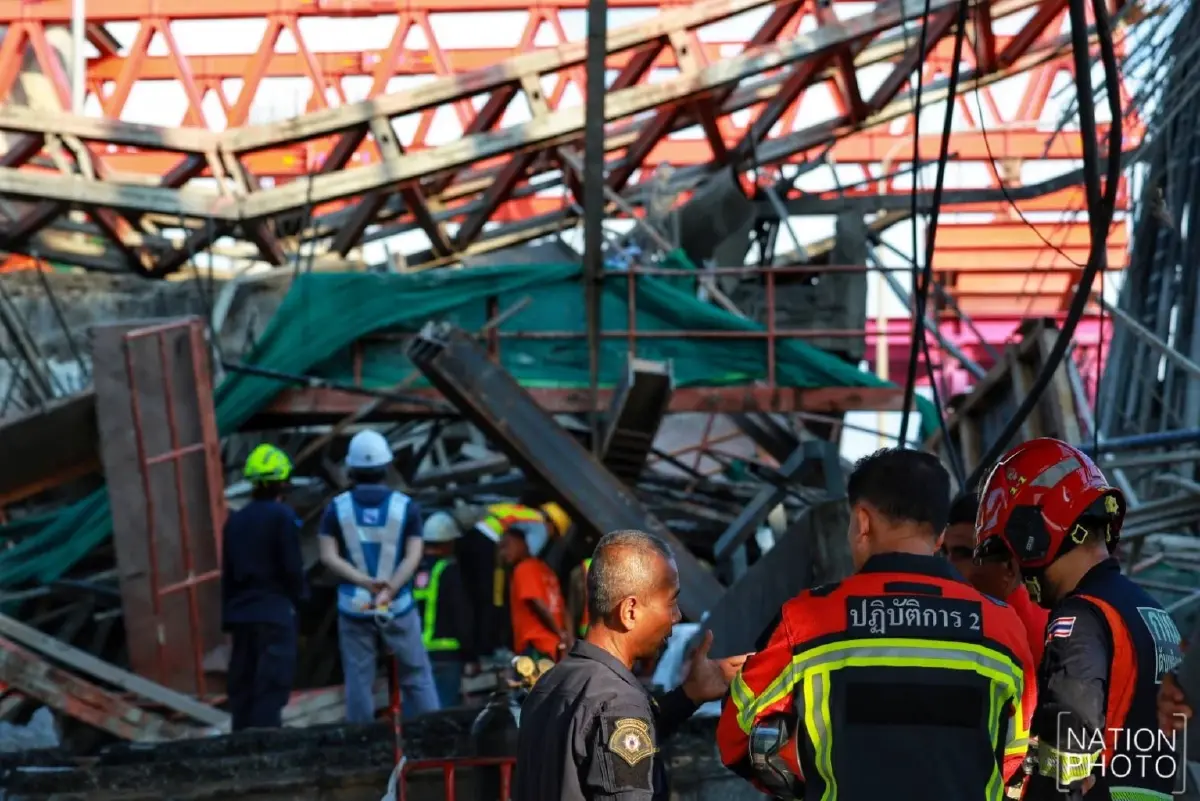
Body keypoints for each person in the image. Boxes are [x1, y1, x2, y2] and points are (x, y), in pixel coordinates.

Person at [718, 447, 1036, 801]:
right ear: (940, 536)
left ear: (862, 522)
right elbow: (1015, 755)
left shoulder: (806, 620)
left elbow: (737, 734)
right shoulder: (1002, 627)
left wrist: (800, 777)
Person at [976, 437, 1185, 800]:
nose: (1013, 570)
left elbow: (1067, 742)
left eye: (1008, 552)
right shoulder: (1152, 613)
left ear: (1032, 534)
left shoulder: (1081, 616)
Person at [514, 529, 749, 801]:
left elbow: (606, 745)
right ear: (630, 611)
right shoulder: (619, 702)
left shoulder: (550, 683)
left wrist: (689, 695)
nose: (677, 616)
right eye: (671, 602)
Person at [317, 429, 440, 722]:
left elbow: (328, 556)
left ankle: (360, 741)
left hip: (355, 606)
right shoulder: (406, 507)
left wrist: (364, 582)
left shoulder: (336, 508)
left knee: (359, 680)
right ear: (386, 467)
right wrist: (390, 588)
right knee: (416, 676)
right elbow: (413, 555)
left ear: (351, 468)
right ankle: (436, 734)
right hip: (397, 605)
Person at [221, 444, 307, 731]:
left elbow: (228, 573)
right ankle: (266, 746)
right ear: (282, 482)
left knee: (243, 688)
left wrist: (227, 617)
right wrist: (301, 601)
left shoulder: (235, 521)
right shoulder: (283, 518)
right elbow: (292, 568)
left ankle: (239, 746)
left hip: (241, 616)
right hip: (274, 614)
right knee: (271, 688)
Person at [943, 491, 1050, 665]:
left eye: (964, 554)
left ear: (1009, 567)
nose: (947, 566)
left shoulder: (1047, 638)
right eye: (944, 553)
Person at [413, 511, 474, 708]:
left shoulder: (414, 572)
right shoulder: (449, 571)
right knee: (443, 713)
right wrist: (471, 655)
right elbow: (461, 615)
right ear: (447, 543)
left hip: (417, 655)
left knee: (419, 712)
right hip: (447, 656)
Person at [499, 522, 572, 661]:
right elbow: (563, 608)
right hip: (555, 647)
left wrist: (560, 633)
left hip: (536, 645)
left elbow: (537, 603)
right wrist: (569, 638)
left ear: (522, 543)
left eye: (506, 545)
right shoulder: (546, 570)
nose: (503, 553)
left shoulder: (523, 569)